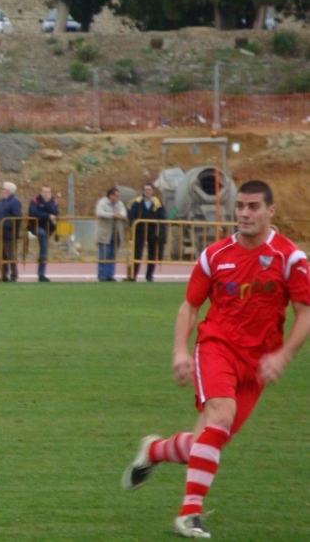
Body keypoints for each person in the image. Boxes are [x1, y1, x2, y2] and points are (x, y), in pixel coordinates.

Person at [121, 180, 310, 539]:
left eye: (253, 206)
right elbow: (190, 306)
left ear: (271, 211)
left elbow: (305, 313)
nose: (244, 213)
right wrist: (180, 349)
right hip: (217, 346)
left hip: (256, 365)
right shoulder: (215, 255)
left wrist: (284, 355)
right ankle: (189, 515)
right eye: (240, 206)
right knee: (220, 416)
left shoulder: (291, 258)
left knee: (206, 442)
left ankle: (155, 450)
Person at [128, 183, 167, 282]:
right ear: (143, 191)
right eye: (146, 190)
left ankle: (149, 275)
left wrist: (161, 231)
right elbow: (131, 216)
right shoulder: (137, 203)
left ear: (153, 191)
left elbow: (163, 218)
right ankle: (133, 275)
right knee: (137, 253)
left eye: (150, 190)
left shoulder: (158, 204)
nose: (148, 192)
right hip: (140, 231)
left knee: (152, 254)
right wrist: (134, 224)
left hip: (153, 231)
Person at [95, 187, 128, 282]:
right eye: (116, 195)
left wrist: (120, 215)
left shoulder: (119, 203)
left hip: (116, 234)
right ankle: (102, 275)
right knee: (104, 255)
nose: (118, 197)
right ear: (111, 196)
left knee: (112, 255)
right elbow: (99, 212)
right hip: (105, 234)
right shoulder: (102, 203)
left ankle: (110, 275)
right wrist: (112, 215)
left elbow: (124, 213)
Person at [28, 185, 59, 282]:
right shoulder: (35, 201)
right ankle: (42, 260)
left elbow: (55, 213)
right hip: (35, 226)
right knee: (42, 234)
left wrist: (48, 203)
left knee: (44, 241)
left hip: (48, 228)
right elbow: (33, 213)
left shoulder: (53, 202)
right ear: (40, 192)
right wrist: (47, 216)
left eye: (48, 192)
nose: (46, 194)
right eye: (44, 192)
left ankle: (42, 273)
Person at [0, 181, 22, 282]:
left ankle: (14, 275)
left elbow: (17, 217)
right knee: (1, 255)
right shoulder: (0, 202)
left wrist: (5, 224)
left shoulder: (15, 202)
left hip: (10, 234)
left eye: (3, 189)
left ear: (8, 191)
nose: (1, 190)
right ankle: (3, 275)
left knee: (11, 255)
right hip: (0, 233)